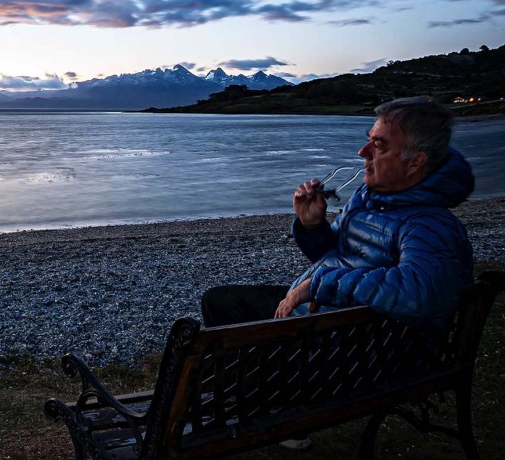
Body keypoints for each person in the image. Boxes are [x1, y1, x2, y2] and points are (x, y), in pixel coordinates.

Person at [202, 96, 475, 328]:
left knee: (222, 317)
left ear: (416, 161)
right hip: (327, 316)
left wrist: (316, 284)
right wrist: (313, 226)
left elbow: (417, 292)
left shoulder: (428, 224)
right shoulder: (369, 198)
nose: (362, 151)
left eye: (379, 145)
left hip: (340, 342)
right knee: (219, 300)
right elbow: (337, 256)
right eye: (368, 140)